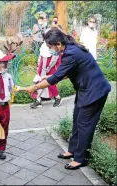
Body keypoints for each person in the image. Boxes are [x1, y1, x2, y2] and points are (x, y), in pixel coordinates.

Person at [23, 28, 111, 170]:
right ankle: (73, 150)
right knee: (77, 119)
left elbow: (56, 77)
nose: (50, 50)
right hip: (85, 90)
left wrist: (35, 87)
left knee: (84, 124)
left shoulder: (71, 53)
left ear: (58, 44)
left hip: (95, 92)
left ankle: (81, 158)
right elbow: (66, 72)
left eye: (50, 46)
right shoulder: (70, 48)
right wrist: (48, 77)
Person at [30, 42, 62, 109]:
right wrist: (39, 68)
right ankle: (38, 101)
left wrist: (51, 68)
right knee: (38, 82)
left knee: (51, 84)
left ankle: (57, 98)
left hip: (51, 69)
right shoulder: (44, 46)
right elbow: (41, 58)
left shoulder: (54, 47)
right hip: (42, 69)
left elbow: (56, 60)